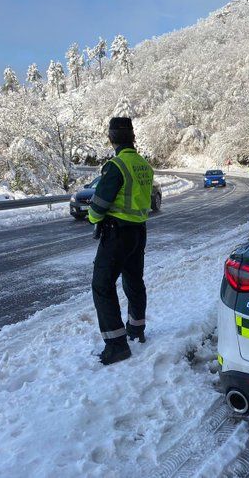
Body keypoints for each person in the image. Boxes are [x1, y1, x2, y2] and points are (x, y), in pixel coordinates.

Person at [88, 117, 154, 365]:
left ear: (111, 138)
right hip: (139, 232)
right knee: (134, 281)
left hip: (116, 234)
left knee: (102, 286)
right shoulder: (144, 165)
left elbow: (99, 205)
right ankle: (136, 330)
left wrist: (94, 218)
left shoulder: (116, 166)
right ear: (133, 138)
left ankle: (116, 345)